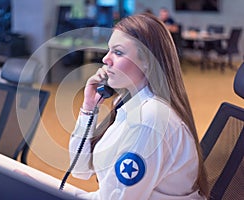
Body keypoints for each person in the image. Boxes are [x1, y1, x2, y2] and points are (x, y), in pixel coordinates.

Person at [68, 13, 209, 199]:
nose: (105, 59)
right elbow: (81, 168)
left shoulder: (150, 120)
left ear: (147, 63)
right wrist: (88, 109)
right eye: (108, 50)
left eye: (118, 52)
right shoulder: (127, 104)